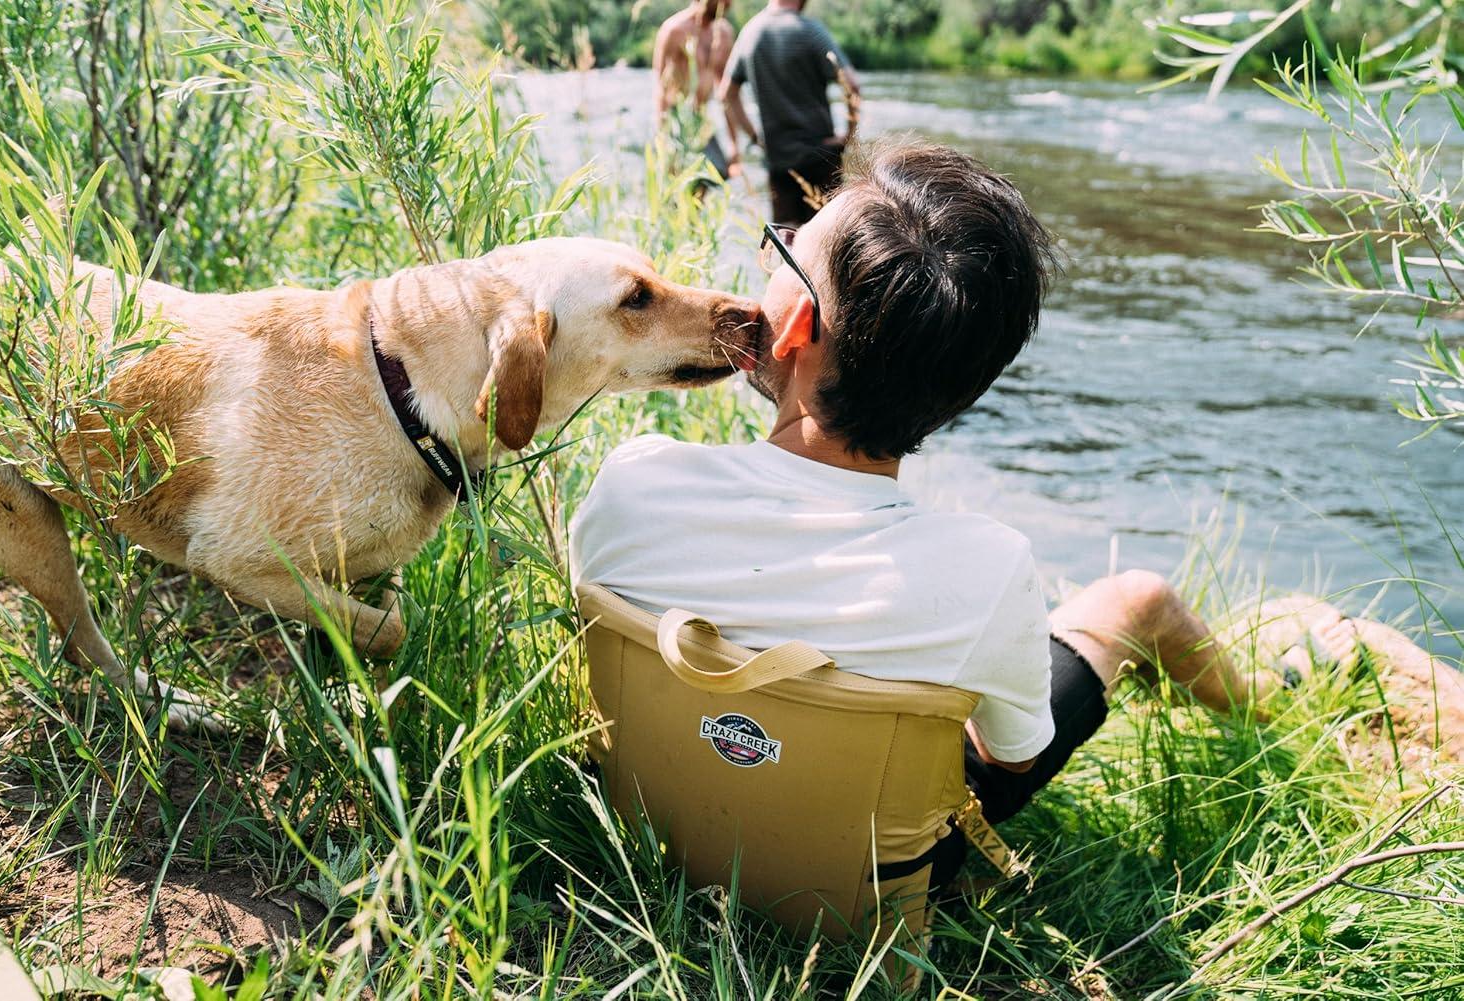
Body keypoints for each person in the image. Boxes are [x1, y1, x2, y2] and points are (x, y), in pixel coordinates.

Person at [568, 141, 1350, 829]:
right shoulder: (986, 568)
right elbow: (1014, 758)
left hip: (644, 834)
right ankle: (1271, 703)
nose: (768, 263)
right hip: (861, 884)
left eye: (787, 247)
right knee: (1135, 599)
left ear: (798, 322)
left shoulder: (635, 482)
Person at [720, 0, 862, 225]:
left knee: (786, 235)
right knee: (830, 234)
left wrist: (756, 137)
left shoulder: (750, 32)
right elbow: (851, 84)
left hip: (777, 156)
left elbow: (727, 94)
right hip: (820, 154)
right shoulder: (811, 31)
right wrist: (849, 135)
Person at [652, 0, 737, 179]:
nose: (729, 3)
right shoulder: (674, 30)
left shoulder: (724, 33)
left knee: (717, 173)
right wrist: (664, 138)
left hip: (702, 119)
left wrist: (733, 144)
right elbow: (661, 88)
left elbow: (726, 91)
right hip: (677, 121)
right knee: (681, 180)